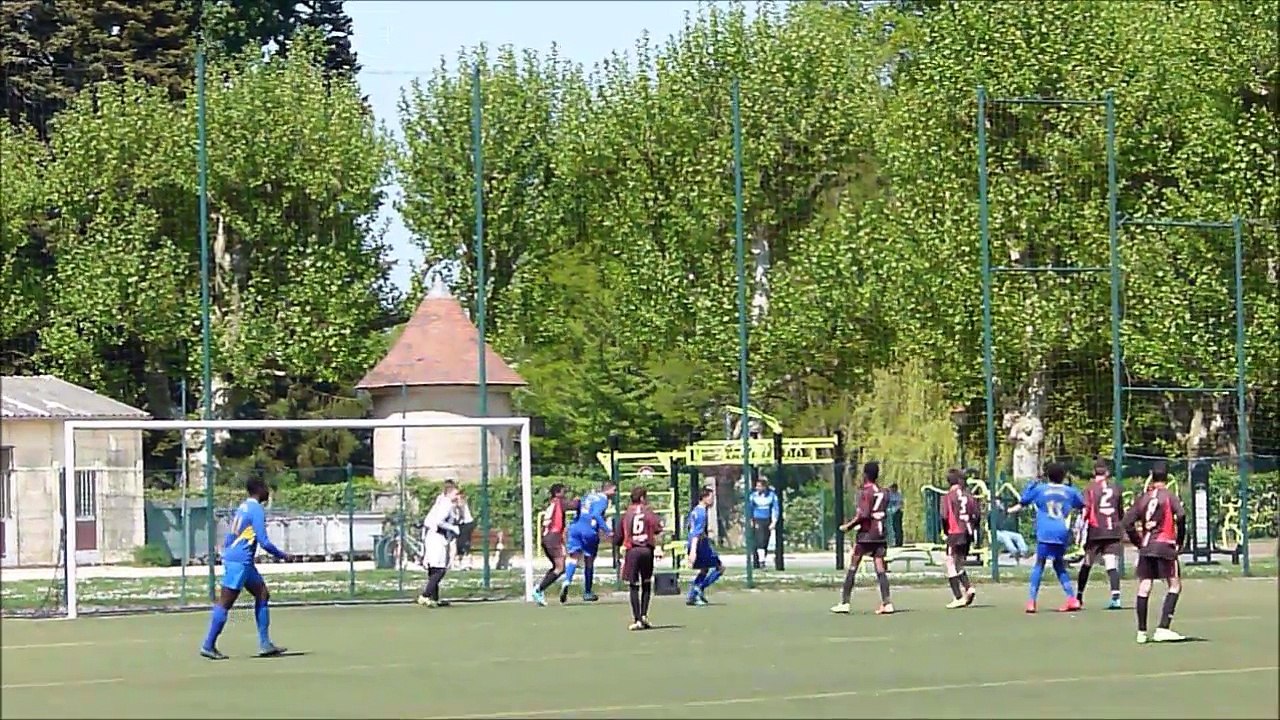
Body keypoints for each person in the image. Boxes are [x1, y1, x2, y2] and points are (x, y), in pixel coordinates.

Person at [200, 478, 289, 660]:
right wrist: (282, 555)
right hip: (240, 562)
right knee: (225, 602)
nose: (268, 492)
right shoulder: (256, 509)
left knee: (262, 593)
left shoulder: (243, 507)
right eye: (267, 488)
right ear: (260, 490)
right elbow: (263, 541)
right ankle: (208, 645)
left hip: (242, 561)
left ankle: (265, 644)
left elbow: (232, 534)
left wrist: (226, 553)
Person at [1122, 462, 1187, 644]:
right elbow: (1181, 516)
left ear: (1151, 476)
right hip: (1165, 544)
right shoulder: (1169, 497)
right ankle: (1163, 628)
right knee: (1174, 585)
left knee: (1144, 586)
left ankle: (1141, 632)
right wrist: (1180, 541)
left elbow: (1127, 522)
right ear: (1168, 477)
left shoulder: (1143, 498)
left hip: (1147, 546)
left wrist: (1138, 541)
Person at [1007, 463, 1084, 614]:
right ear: (1063, 476)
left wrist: (1033, 482)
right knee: (1059, 564)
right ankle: (1071, 598)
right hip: (1061, 531)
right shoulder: (1069, 491)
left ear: (1047, 475)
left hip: (1045, 532)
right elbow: (1081, 504)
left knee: (1039, 565)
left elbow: (1024, 499)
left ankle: (1031, 601)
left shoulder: (1040, 489)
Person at [831, 461, 894, 615]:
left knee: (853, 565)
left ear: (865, 474)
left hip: (867, 534)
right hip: (880, 533)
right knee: (880, 567)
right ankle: (887, 603)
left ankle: (844, 602)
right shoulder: (884, 492)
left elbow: (864, 515)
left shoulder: (865, 492)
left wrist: (848, 526)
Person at [1077, 458, 1126, 610]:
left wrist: (1078, 530)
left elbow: (1086, 509)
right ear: (1108, 472)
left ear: (1094, 472)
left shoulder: (1089, 488)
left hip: (1096, 531)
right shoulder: (1116, 488)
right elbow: (1120, 511)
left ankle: (1078, 596)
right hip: (1113, 531)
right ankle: (1116, 597)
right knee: (1111, 565)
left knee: (1087, 564)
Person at [560, 481, 616, 603]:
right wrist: (607, 530)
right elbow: (595, 514)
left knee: (573, 557)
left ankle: (567, 581)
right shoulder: (603, 500)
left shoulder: (588, 496)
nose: (614, 493)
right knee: (589, 560)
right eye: (614, 490)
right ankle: (587, 592)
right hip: (588, 530)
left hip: (575, 527)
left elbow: (578, 507)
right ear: (609, 489)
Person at [618, 486, 664, 630]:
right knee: (646, 583)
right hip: (646, 550)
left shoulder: (626, 514)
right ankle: (643, 615)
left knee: (633, 585)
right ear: (643, 498)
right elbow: (658, 528)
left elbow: (619, 534)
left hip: (632, 551)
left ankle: (637, 618)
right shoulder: (648, 512)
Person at [418, 480, 463, 607]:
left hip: (432, 536)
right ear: (449, 493)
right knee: (440, 570)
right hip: (436, 537)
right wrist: (453, 528)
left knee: (434, 568)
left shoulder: (443, 501)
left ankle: (434, 598)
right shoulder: (446, 504)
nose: (457, 496)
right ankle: (425, 595)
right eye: (456, 493)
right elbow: (439, 521)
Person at [940, 469, 978, 609]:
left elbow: (944, 516)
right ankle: (969, 588)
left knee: (950, 562)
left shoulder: (947, 497)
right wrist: (972, 529)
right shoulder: (969, 496)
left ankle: (958, 597)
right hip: (967, 532)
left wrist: (945, 532)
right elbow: (977, 514)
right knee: (958, 563)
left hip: (955, 532)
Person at [532, 483, 571, 606]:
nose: (565, 495)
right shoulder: (559, 502)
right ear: (558, 493)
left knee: (557, 567)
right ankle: (538, 589)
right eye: (564, 492)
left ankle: (540, 589)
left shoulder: (552, 504)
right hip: (553, 538)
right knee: (560, 568)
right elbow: (575, 505)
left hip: (547, 537)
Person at [685, 487, 725, 606]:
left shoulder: (695, 510)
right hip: (699, 545)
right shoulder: (701, 513)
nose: (712, 500)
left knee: (705, 569)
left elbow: (690, 528)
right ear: (705, 497)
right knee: (720, 568)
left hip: (702, 544)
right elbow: (696, 533)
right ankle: (697, 590)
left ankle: (694, 594)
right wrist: (693, 550)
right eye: (711, 497)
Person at [748, 477, 779, 569]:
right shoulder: (753, 496)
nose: (757, 488)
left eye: (760, 486)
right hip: (758, 519)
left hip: (767, 519)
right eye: (757, 486)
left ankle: (762, 559)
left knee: (766, 541)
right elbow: (750, 509)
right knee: (760, 540)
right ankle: (761, 562)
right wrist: (751, 520)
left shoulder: (772, 495)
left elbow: (775, 509)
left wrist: (774, 522)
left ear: (764, 487)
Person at [991, 497, 1030, 562]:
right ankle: (1014, 552)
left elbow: (1012, 510)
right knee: (1005, 537)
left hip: (1003, 531)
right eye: (997, 502)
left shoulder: (1003, 511)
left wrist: (1023, 506)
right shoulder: (992, 512)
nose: (999, 504)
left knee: (1018, 536)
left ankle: (1024, 552)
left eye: (999, 502)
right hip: (995, 531)